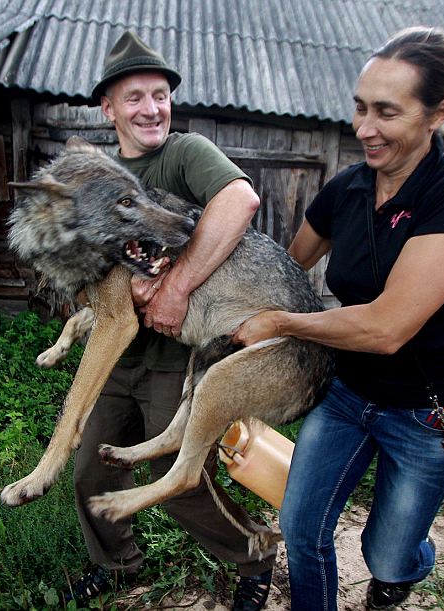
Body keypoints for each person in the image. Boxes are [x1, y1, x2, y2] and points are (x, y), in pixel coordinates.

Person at [232, 26, 444, 611]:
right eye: (359, 107)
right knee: (302, 529)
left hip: (428, 409)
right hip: (347, 392)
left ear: (439, 111)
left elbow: (386, 328)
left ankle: (403, 568)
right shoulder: (347, 188)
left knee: (388, 553)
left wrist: (280, 324)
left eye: (386, 112)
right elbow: (287, 267)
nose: (364, 129)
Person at [64, 30, 276, 611]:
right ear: (108, 108)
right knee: (89, 473)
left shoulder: (184, 154)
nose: (151, 108)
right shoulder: (101, 176)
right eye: (134, 97)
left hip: (179, 359)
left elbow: (240, 200)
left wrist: (176, 288)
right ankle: (116, 564)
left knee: (181, 486)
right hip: (118, 355)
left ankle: (255, 556)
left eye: (160, 94)